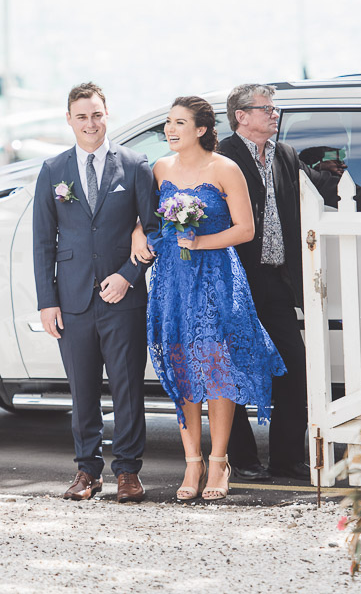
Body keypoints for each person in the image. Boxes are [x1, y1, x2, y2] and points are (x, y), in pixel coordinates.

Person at [217, 84, 361, 482]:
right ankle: (242, 460)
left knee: (294, 371)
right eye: (266, 109)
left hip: (277, 281)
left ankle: (286, 458)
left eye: (274, 108)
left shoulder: (283, 154)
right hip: (235, 283)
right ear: (242, 116)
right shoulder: (221, 157)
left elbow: (323, 184)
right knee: (235, 373)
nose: (274, 114)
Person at [137, 96, 285, 501]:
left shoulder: (225, 168)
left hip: (217, 275)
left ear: (201, 130)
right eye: (168, 122)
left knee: (217, 364)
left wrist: (200, 241)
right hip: (172, 278)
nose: (170, 130)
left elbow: (246, 229)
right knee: (182, 362)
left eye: (179, 123)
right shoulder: (160, 168)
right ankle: (193, 461)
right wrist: (139, 233)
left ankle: (219, 461)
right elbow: (147, 218)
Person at [32, 83, 158, 503]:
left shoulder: (136, 164)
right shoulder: (53, 170)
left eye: (97, 115)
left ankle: (127, 472)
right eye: (82, 116)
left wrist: (128, 275)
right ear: (69, 119)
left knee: (127, 388)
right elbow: (43, 242)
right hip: (72, 300)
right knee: (82, 390)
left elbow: (154, 230)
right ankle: (87, 470)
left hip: (123, 296)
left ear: (108, 116)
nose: (90, 123)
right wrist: (47, 301)